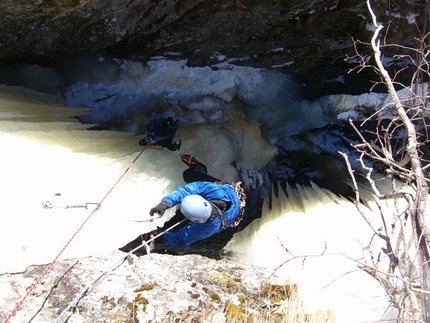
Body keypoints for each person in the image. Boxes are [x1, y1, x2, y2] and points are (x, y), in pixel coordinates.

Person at [147, 154, 246, 247]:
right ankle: (200, 169)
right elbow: (186, 190)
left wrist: (161, 238)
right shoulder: (213, 190)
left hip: (230, 204)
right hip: (225, 188)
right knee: (189, 175)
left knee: (175, 222)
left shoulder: (208, 228)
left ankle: (161, 230)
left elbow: (182, 239)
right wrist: (164, 204)